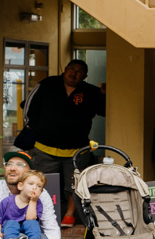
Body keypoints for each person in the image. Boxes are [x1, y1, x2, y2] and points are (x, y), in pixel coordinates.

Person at [19, 59, 104, 229]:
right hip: (44, 146)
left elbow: (107, 110)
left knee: (73, 184)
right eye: (71, 69)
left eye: (79, 71)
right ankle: (41, 214)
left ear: (85, 76)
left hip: (76, 149)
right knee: (41, 182)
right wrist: (31, 127)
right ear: (65, 70)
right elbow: (28, 106)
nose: (73, 73)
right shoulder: (47, 84)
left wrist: (106, 94)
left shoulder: (90, 92)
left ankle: (69, 215)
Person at [0, 169, 51, 239]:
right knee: (11, 222)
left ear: (41, 192)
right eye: (31, 184)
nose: (34, 187)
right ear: (20, 186)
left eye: (39, 186)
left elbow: (30, 218)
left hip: (27, 231)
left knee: (32, 223)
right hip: (10, 230)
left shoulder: (37, 203)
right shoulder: (7, 201)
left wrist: (33, 201)